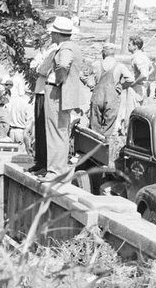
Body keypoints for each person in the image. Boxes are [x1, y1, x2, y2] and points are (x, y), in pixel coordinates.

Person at [32, 16, 89, 177]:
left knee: (55, 132)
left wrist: (59, 80)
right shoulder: (71, 46)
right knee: (60, 132)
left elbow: (63, 64)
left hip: (56, 92)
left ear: (57, 34)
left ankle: (54, 170)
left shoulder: (65, 49)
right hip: (61, 93)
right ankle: (56, 168)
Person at [88, 43, 133, 138]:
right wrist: (121, 87)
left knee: (95, 124)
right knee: (109, 126)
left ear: (103, 53)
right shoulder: (120, 66)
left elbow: (83, 75)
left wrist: (91, 85)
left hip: (97, 96)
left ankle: (93, 143)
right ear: (114, 54)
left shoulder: (96, 64)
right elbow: (130, 79)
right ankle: (104, 145)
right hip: (112, 97)